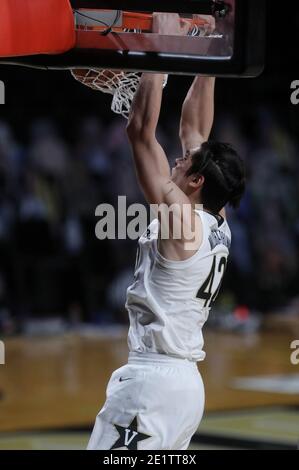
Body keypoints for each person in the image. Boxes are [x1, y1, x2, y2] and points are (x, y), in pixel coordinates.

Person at [87, 13, 245, 451]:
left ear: (196, 182)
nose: (177, 160)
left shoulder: (180, 218)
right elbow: (194, 130)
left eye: (184, 164)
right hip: (185, 389)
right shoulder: (217, 218)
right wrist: (209, 51)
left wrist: (159, 50)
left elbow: (139, 133)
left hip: (152, 384)